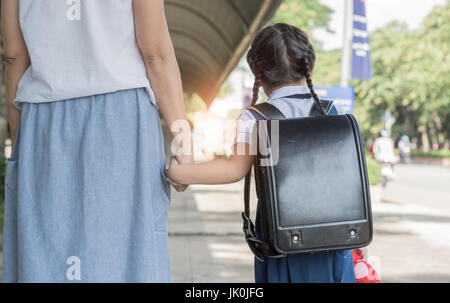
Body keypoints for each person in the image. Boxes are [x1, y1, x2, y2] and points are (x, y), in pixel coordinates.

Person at [2, 0, 190, 282]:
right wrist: (183, 141)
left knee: (45, 250)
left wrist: (21, 147)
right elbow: (155, 53)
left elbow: (15, 56)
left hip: (43, 118)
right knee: (127, 251)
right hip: (121, 118)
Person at [167, 23, 365, 283]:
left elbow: (233, 170)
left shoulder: (255, 118)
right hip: (332, 234)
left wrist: (180, 172)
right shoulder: (331, 111)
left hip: (279, 236)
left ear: (257, 73)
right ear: (309, 68)